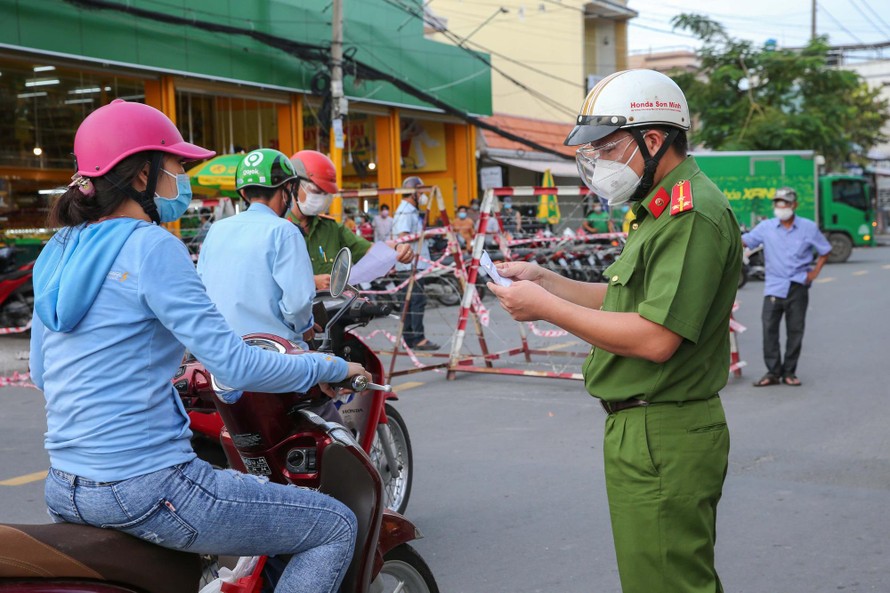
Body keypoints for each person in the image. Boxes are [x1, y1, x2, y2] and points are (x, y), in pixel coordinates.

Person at [30, 100, 370, 593]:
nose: (181, 180)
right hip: (148, 486)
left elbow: (43, 373)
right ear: (142, 176)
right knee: (334, 526)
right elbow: (232, 362)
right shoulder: (152, 245)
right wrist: (331, 366)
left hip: (65, 486)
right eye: (176, 167)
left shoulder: (57, 249)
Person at [487, 69, 741, 593]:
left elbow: (654, 337)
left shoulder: (689, 214)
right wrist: (547, 282)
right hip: (643, 427)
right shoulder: (655, 210)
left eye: (607, 146)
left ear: (653, 140)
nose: (598, 161)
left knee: (667, 584)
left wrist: (544, 309)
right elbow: (627, 300)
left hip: (663, 428)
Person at [197, 148, 316, 349]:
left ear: (243, 192)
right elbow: (298, 305)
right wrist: (305, 326)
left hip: (218, 352)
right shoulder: (285, 231)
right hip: (275, 356)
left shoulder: (216, 229)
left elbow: (200, 290)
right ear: (287, 187)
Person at [742, 187, 831, 387]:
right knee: (769, 329)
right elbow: (744, 242)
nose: (781, 207)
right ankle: (773, 372)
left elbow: (825, 250)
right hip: (773, 286)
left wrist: (814, 273)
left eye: (785, 203)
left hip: (798, 285)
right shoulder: (766, 227)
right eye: (777, 203)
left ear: (794, 205)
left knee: (795, 330)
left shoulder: (808, 227)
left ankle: (789, 372)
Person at [286, 150, 412, 290]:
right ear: (293, 186)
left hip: (333, 310)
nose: (321, 199)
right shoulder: (276, 228)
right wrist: (311, 282)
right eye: (316, 192)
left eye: (326, 194)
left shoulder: (332, 228)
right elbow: (264, 278)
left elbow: (368, 250)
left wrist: (396, 248)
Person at [393, 176, 439, 351]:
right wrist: (426, 235)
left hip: (414, 264)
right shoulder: (405, 210)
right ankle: (417, 338)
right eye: (420, 191)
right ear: (413, 192)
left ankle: (409, 338)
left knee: (411, 301)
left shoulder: (411, 210)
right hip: (410, 265)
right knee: (416, 301)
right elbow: (403, 237)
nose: (422, 195)